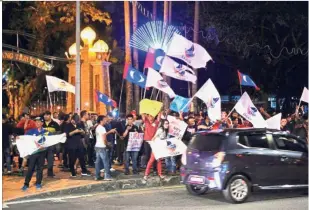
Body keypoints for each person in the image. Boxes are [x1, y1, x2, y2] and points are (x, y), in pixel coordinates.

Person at [21, 117, 50, 191]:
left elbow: (50, 141)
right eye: (36, 122)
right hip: (33, 153)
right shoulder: (31, 131)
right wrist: (19, 138)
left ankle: (38, 183)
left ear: (42, 123)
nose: (37, 123)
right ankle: (26, 184)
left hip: (42, 153)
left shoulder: (46, 132)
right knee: (30, 168)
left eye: (39, 122)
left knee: (40, 168)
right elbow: (24, 138)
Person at [95, 115, 114, 181]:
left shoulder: (98, 127)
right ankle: (107, 176)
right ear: (101, 121)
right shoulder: (102, 128)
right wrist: (107, 144)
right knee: (106, 161)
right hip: (102, 146)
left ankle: (97, 176)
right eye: (105, 119)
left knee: (97, 162)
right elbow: (104, 138)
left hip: (97, 146)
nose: (106, 120)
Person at [43, 111, 60, 178]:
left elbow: (58, 134)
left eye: (47, 115)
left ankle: (50, 173)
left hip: (51, 145)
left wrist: (57, 146)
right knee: (41, 160)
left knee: (50, 159)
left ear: (50, 116)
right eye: (44, 115)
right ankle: (40, 173)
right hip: (42, 145)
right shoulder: (41, 124)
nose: (45, 116)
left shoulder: (55, 124)